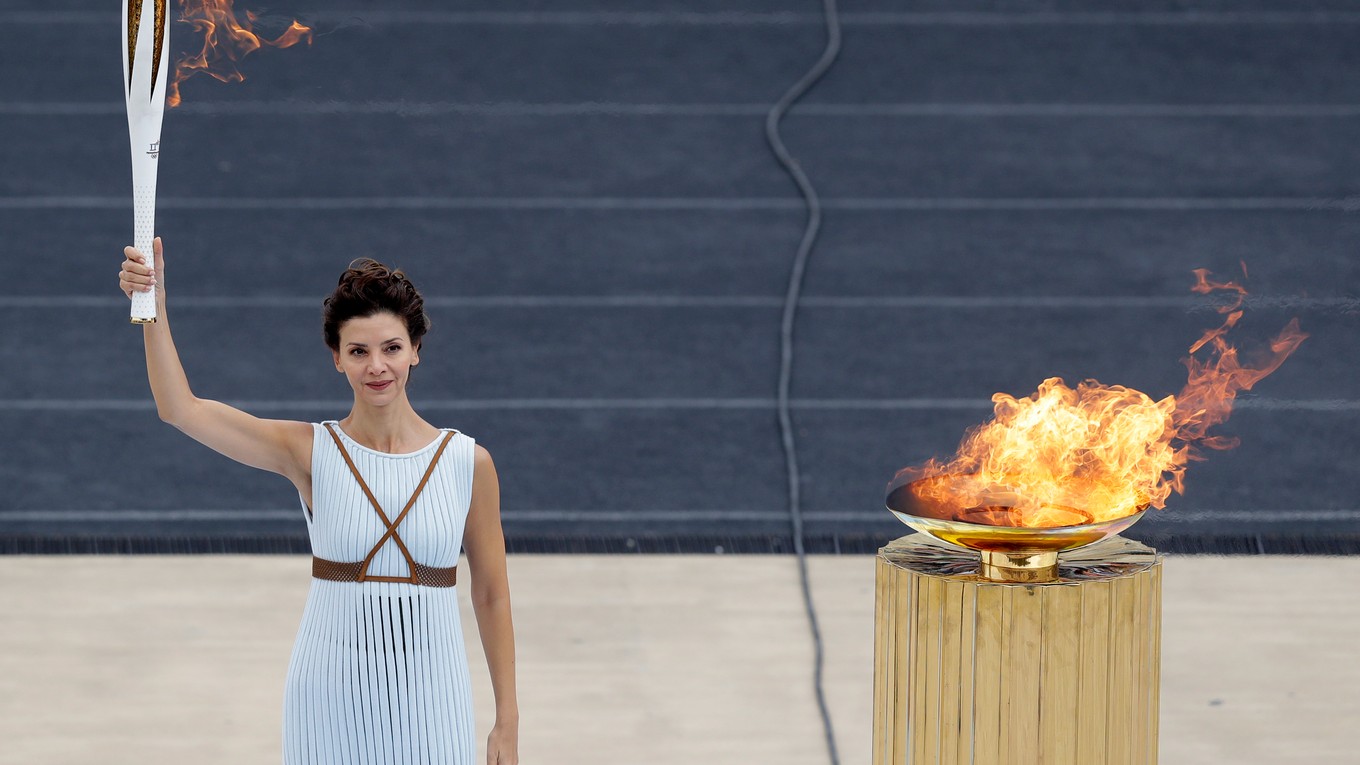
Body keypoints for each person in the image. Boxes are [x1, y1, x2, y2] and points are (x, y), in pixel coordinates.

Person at [120, 238, 519, 764]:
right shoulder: (310, 452)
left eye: (391, 348)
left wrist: (506, 722)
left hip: (434, 703)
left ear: (415, 350)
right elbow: (180, 409)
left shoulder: (469, 463)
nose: (377, 366)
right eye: (358, 351)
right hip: (327, 702)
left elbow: (491, 595)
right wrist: (153, 304)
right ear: (337, 359)